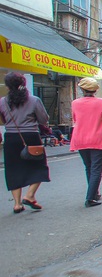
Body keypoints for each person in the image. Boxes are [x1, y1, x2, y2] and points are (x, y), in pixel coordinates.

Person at [0, 72, 50, 214]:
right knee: (39, 167)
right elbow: (43, 120)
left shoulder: (2, 101)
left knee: (13, 169)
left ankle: (17, 204)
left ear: (8, 86)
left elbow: (3, 119)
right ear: (24, 84)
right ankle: (29, 195)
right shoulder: (34, 100)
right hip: (31, 136)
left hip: (11, 138)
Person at [70, 77, 102, 207]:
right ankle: (90, 198)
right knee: (96, 169)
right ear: (95, 90)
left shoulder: (75, 103)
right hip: (97, 139)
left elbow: (75, 119)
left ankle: (94, 192)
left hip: (80, 139)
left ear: (82, 89)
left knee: (88, 167)